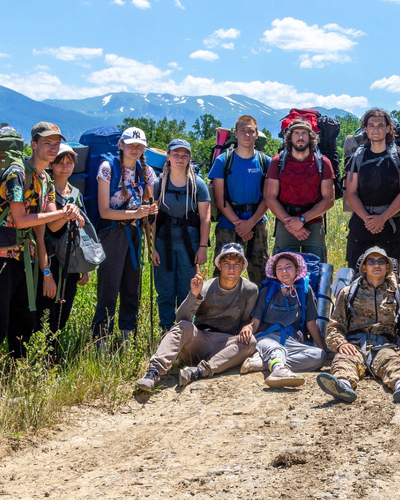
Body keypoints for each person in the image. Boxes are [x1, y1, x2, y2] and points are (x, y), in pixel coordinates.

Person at [0, 121, 77, 370]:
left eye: (56, 143)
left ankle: (16, 376)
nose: (53, 148)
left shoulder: (45, 180)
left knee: (24, 320)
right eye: (47, 143)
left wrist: (68, 213)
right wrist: (60, 214)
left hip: (27, 258)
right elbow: (21, 220)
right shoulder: (16, 173)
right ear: (33, 144)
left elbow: (49, 227)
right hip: (1, 256)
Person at [134, 243, 260, 392]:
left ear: (243, 266)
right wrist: (194, 294)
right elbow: (181, 318)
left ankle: (198, 371)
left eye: (236, 264)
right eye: (226, 263)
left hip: (225, 344)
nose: (231, 268)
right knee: (183, 327)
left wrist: (249, 327)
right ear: (219, 265)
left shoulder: (250, 290)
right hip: (200, 339)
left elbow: (246, 322)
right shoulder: (206, 287)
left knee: (250, 341)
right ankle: (153, 372)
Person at [316, 246, 400, 404]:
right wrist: (340, 344)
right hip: (354, 345)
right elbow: (335, 325)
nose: (376, 265)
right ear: (364, 267)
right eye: (371, 261)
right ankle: (342, 386)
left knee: (393, 362)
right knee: (343, 361)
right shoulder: (348, 292)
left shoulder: (399, 292)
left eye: (381, 261)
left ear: (387, 267)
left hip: (383, 346)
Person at [91, 126, 158, 345]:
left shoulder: (146, 172)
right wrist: (135, 213)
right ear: (121, 144)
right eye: (131, 144)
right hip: (111, 233)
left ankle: (127, 339)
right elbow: (104, 211)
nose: (135, 149)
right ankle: (101, 341)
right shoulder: (107, 168)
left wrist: (150, 212)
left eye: (139, 145)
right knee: (109, 289)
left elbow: (148, 205)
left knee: (132, 287)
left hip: (135, 233)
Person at [34, 142, 89, 360]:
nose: (64, 167)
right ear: (52, 165)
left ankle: (52, 358)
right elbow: (50, 229)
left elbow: (82, 230)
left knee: (62, 317)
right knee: (47, 314)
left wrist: (83, 268)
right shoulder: (45, 192)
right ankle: (43, 361)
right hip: (51, 260)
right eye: (60, 162)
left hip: (70, 263)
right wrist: (46, 274)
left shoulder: (75, 193)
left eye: (69, 162)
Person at [244, 251, 327, 388]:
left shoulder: (305, 291)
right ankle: (278, 371)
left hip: (292, 340)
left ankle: (266, 363)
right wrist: (248, 328)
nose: (284, 271)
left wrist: (322, 348)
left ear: (297, 269)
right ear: (275, 273)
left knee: (319, 357)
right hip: (267, 338)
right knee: (276, 349)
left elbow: (311, 323)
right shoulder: (267, 291)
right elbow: (256, 321)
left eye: (288, 267)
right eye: (279, 268)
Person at [153, 138, 211, 331]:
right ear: (168, 156)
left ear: (189, 158)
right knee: (165, 289)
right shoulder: (158, 183)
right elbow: (151, 218)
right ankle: (166, 331)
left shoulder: (198, 184)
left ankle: (185, 331)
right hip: (163, 241)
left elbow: (205, 218)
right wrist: (151, 247)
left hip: (190, 242)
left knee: (188, 289)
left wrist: (202, 248)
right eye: (176, 154)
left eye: (184, 155)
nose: (180, 158)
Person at [344, 109, 400, 268]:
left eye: (381, 125)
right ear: (365, 129)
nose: (376, 129)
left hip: (390, 224)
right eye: (371, 125)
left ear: (389, 128)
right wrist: (368, 219)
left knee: (389, 276)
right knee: (356, 274)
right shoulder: (357, 157)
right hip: (360, 225)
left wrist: (382, 218)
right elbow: (351, 192)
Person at [208, 115, 271, 281]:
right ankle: (220, 307)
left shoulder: (266, 162)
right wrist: (240, 225)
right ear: (235, 133)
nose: (247, 135)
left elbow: (268, 198)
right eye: (243, 131)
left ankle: (258, 307)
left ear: (257, 134)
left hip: (257, 223)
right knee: (222, 273)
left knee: (261, 274)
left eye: (251, 131)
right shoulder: (223, 161)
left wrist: (249, 224)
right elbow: (220, 199)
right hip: (228, 225)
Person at [265, 119, 335, 261]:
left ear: (311, 137)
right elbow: (270, 197)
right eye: (296, 133)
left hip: (314, 221)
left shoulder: (323, 162)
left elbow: (329, 199)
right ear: (289, 137)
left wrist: (302, 220)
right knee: (283, 266)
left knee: (317, 267)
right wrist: (291, 223)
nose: (300, 137)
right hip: (285, 220)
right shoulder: (277, 162)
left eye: (304, 133)